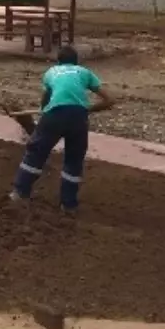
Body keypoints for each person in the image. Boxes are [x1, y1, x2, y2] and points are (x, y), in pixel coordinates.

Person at [9, 45, 112, 214]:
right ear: (76, 62)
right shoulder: (84, 72)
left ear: (58, 61)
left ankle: (20, 193)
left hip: (54, 115)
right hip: (79, 118)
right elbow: (110, 100)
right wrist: (87, 109)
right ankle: (69, 205)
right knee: (74, 160)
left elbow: (45, 99)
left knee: (36, 152)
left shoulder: (51, 72)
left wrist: (44, 112)